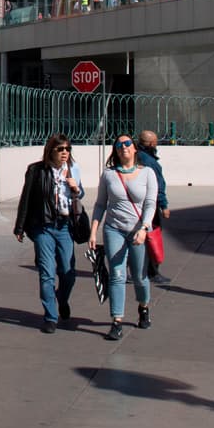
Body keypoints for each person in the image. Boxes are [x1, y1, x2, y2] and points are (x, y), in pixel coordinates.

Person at [88, 135, 158, 341]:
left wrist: (144, 228)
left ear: (135, 148)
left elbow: (150, 204)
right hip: (114, 229)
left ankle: (143, 307)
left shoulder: (147, 173)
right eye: (119, 145)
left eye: (127, 144)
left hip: (138, 230)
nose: (123, 147)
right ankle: (116, 321)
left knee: (139, 277)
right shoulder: (109, 174)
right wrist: (93, 231)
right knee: (117, 274)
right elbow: (100, 204)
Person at [14, 134, 83, 332]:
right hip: (43, 226)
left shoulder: (73, 169)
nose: (65, 153)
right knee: (47, 273)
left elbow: (80, 194)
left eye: (68, 149)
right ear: (51, 150)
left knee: (68, 273)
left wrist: (75, 188)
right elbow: (26, 197)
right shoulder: (36, 170)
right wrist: (20, 226)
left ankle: (61, 300)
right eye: (60, 149)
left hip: (65, 226)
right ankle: (50, 316)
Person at [135, 130, 171, 284]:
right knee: (152, 237)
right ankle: (152, 271)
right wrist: (164, 205)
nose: (156, 144)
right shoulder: (150, 162)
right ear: (150, 144)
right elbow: (158, 186)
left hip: (136, 204)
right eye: (155, 142)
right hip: (150, 204)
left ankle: (138, 268)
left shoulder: (135, 157)